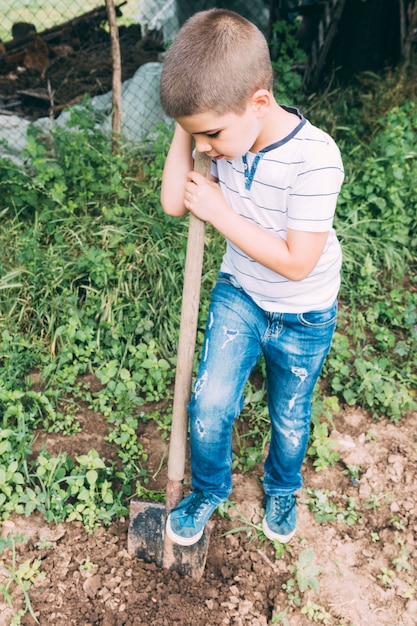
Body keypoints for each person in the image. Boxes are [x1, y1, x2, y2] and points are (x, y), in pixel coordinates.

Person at [159, 8, 344, 547]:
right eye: (200, 136)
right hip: (240, 294)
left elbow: (296, 262)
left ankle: (283, 486)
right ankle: (210, 489)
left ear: (259, 101)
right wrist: (189, 125)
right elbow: (175, 201)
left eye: (211, 133)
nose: (207, 147)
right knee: (210, 403)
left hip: (303, 310)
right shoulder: (222, 135)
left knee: (289, 416)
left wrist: (222, 214)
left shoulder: (316, 159)